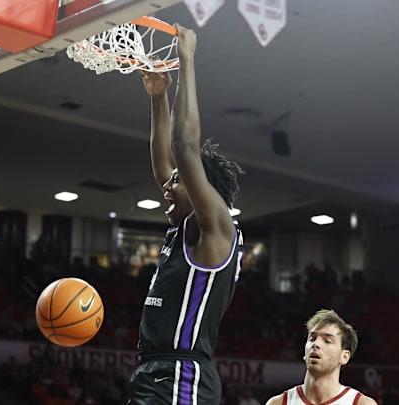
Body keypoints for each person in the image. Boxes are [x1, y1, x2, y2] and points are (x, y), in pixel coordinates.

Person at [128, 23, 244, 405]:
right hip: (153, 373)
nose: (165, 185)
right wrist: (157, 98)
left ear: (201, 189)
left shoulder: (217, 229)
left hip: (182, 377)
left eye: (178, 181)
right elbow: (166, 162)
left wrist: (186, 59)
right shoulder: (184, 228)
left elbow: (182, 147)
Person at [265, 309, 376, 405]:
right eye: (312, 338)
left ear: (344, 357)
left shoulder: (361, 403)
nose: (316, 344)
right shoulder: (278, 403)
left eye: (327, 341)